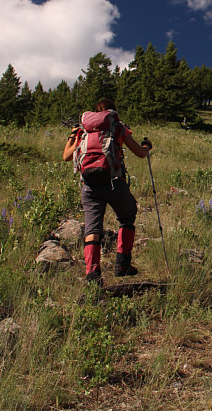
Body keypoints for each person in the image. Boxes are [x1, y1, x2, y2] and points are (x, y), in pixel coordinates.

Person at [62, 98, 152, 285]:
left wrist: (72, 135)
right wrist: (147, 146)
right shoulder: (118, 127)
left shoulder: (82, 130)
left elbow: (65, 156)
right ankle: (122, 264)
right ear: (112, 111)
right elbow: (140, 154)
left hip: (89, 186)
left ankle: (93, 275)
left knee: (92, 228)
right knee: (127, 216)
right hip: (114, 183)